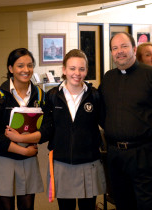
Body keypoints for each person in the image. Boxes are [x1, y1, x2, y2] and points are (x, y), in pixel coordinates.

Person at [99, 32, 152, 210]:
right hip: (116, 155)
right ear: (111, 53)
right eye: (115, 48)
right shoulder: (108, 78)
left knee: (148, 205)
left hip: (145, 153)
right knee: (123, 203)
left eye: (124, 46)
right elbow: (103, 113)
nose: (120, 51)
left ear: (134, 49)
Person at [38, 49, 105, 210]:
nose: (77, 73)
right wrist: (32, 138)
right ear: (64, 70)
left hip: (89, 162)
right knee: (65, 207)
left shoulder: (95, 95)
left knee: (87, 206)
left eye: (81, 69)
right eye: (72, 68)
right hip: (61, 161)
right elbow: (46, 127)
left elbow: (106, 122)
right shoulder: (52, 96)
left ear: (87, 70)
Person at [0, 48, 44, 210]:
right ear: (11, 69)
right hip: (3, 158)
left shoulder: (39, 95)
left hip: (28, 161)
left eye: (30, 65)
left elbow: (47, 128)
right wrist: (23, 150)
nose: (26, 70)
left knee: (27, 206)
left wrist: (23, 140)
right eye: (20, 66)